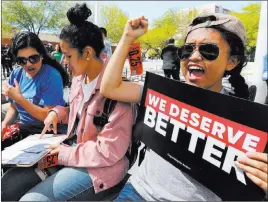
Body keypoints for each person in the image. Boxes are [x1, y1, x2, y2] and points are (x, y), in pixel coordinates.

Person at [100, 14, 268, 200]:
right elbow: (110, 88)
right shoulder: (163, 92)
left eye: (208, 50)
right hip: (138, 192)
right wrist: (127, 38)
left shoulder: (248, 123)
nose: (194, 57)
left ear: (232, 61)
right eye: (187, 50)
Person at [1, 3, 134, 201]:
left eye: (68, 55)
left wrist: (63, 155)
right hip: (70, 149)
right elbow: (78, 109)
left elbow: (109, 151)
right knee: (8, 185)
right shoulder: (80, 78)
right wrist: (59, 112)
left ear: (87, 53)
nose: (63, 61)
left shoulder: (119, 91)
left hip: (100, 168)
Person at [1, 32, 69, 134]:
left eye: (33, 58)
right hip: (25, 127)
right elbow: (13, 108)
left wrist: (19, 99)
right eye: (22, 60)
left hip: (48, 131)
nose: (28, 64)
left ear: (41, 55)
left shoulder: (51, 76)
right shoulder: (16, 74)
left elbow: (47, 115)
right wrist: (4, 125)